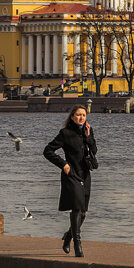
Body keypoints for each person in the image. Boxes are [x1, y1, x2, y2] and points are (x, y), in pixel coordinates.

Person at [43, 105, 99, 258]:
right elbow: (48, 151)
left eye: (84, 115)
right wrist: (63, 164)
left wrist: (88, 137)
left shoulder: (88, 131)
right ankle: (78, 245)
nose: (81, 118)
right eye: (78, 115)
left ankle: (68, 237)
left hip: (85, 174)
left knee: (83, 212)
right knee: (76, 208)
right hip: (71, 174)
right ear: (72, 117)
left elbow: (93, 151)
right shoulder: (65, 133)